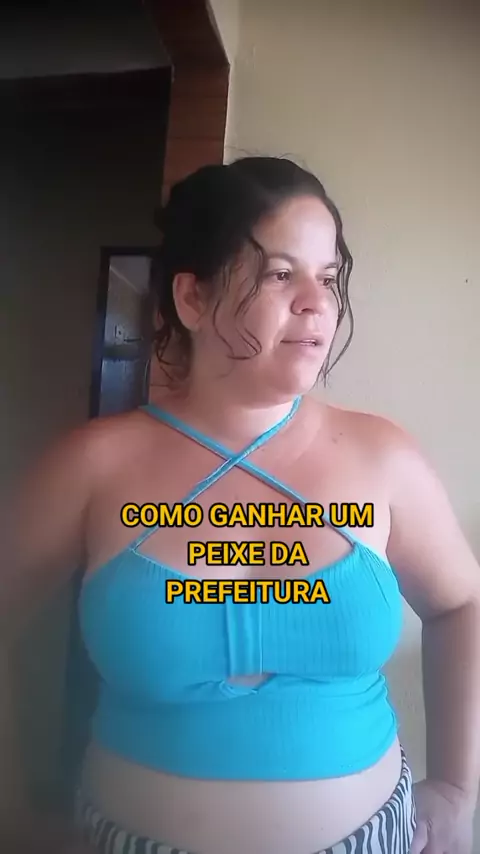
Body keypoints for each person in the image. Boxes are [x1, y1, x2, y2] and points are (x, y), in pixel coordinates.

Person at [2, 156, 480, 854]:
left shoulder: (383, 457)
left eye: (328, 278)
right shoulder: (92, 465)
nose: (317, 303)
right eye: (281, 274)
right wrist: (10, 815)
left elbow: (462, 602)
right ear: (191, 299)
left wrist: (459, 789)